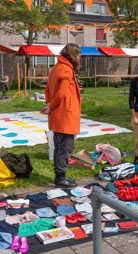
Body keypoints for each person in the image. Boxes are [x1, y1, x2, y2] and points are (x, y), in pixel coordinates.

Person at [43, 43, 81, 188]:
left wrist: (49, 105)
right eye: (79, 56)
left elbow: (48, 89)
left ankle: (60, 176)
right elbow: (62, 93)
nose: (79, 58)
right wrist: (51, 106)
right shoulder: (66, 70)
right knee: (65, 148)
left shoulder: (55, 69)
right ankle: (60, 179)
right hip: (66, 115)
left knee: (59, 147)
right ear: (73, 55)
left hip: (58, 114)